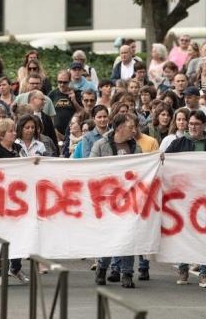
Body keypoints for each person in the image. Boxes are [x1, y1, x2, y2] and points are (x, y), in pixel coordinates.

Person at [166, 110, 206, 288]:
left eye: (196, 124)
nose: (192, 127)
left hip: (205, 198)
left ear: (204, 125)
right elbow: (165, 162)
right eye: (190, 124)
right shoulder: (178, 143)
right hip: (183, 198)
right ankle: (183, 269)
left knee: (205, 234)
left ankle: (204, 273)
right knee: (184, 234)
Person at [91, 113, 141, 289]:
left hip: (129, 199)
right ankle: (102, 268)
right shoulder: (101, 145)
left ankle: (127, 273)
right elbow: (91, 169)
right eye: (130, 127)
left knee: (129, 236)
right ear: (119, 127)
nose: (134, 130)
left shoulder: (136, 147)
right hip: (107, 200)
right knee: (108, 236)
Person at [0, 119, 29, 284]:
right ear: (1, 135)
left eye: (14, 130)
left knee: (18, 234)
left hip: (19, 199)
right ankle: (1, 271)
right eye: (11, 131)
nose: (15, 133)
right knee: (3, 235)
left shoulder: (18, 149)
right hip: (2, 200)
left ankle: (16, 267)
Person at [49, 70, 83, 139]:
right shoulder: (52, 94)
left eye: (65, 82)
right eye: (59, 82)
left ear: (70, 81)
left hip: (73, 132)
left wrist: (74, 101)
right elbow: (47, 114)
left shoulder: (77, 93)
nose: (62, 84)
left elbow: (82, 113)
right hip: (56, 133)